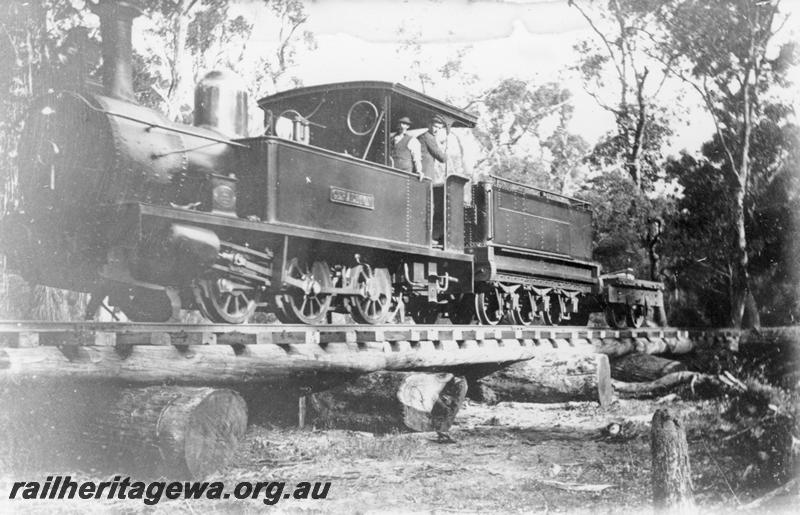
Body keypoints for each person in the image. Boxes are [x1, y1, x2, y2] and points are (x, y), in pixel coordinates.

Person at [417, 115, 448, 183]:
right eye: (435, 126)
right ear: (429, 125)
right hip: (425, 173)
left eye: (439, 128)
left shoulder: (424, 136)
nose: (437, 130)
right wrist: (446, 153)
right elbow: (442, 158)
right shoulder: (428, 137)